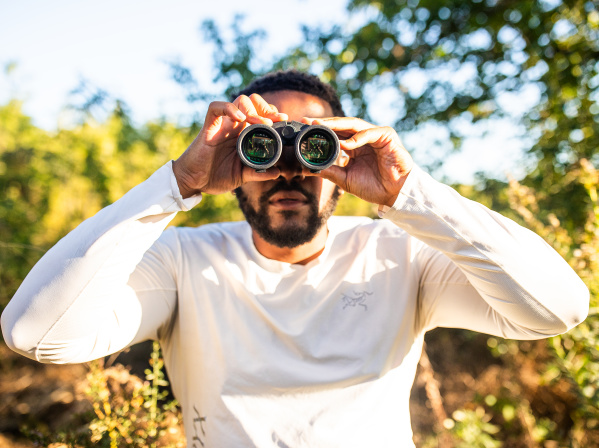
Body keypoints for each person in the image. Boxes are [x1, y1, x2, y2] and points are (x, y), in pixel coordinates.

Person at [1, 70, 589, 447]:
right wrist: (176, 183)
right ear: (235, 168)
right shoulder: (186, 260)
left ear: (341, 156)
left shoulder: (400, 254)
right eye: (263, 147)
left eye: (312, 145)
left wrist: (411, 192)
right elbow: (36, 333)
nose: (287, 168)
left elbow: (557, 310)